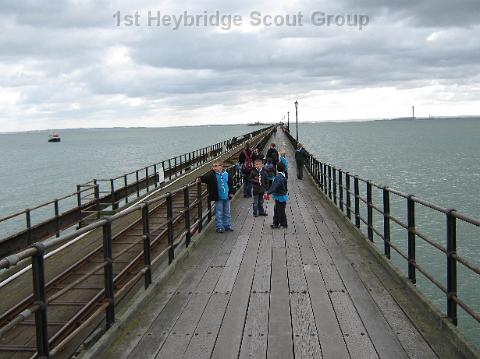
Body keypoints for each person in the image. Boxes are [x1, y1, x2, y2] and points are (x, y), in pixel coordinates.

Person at [199, 160, 234, 233]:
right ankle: (219, 227)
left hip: (226, 196)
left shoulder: (226, 174)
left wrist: (231, 192)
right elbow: (204, 178)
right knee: (219, 212)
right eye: (213, 166)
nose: (214, 168)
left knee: (227, 212)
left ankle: (227, 225)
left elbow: (230, 183)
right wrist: (198, 178)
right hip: (218, 197)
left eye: (216, 166)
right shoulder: (212, 175)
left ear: (221, 166)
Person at [268, 162, 288, 228]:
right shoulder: (283, 175)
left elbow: (274, 186)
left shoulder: (278, 177)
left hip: (280, 196)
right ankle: (276, 223)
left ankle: (283, 224)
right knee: (277, 210)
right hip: (281, 195)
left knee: (280, 211)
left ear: (276, 168)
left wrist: (268, 192)